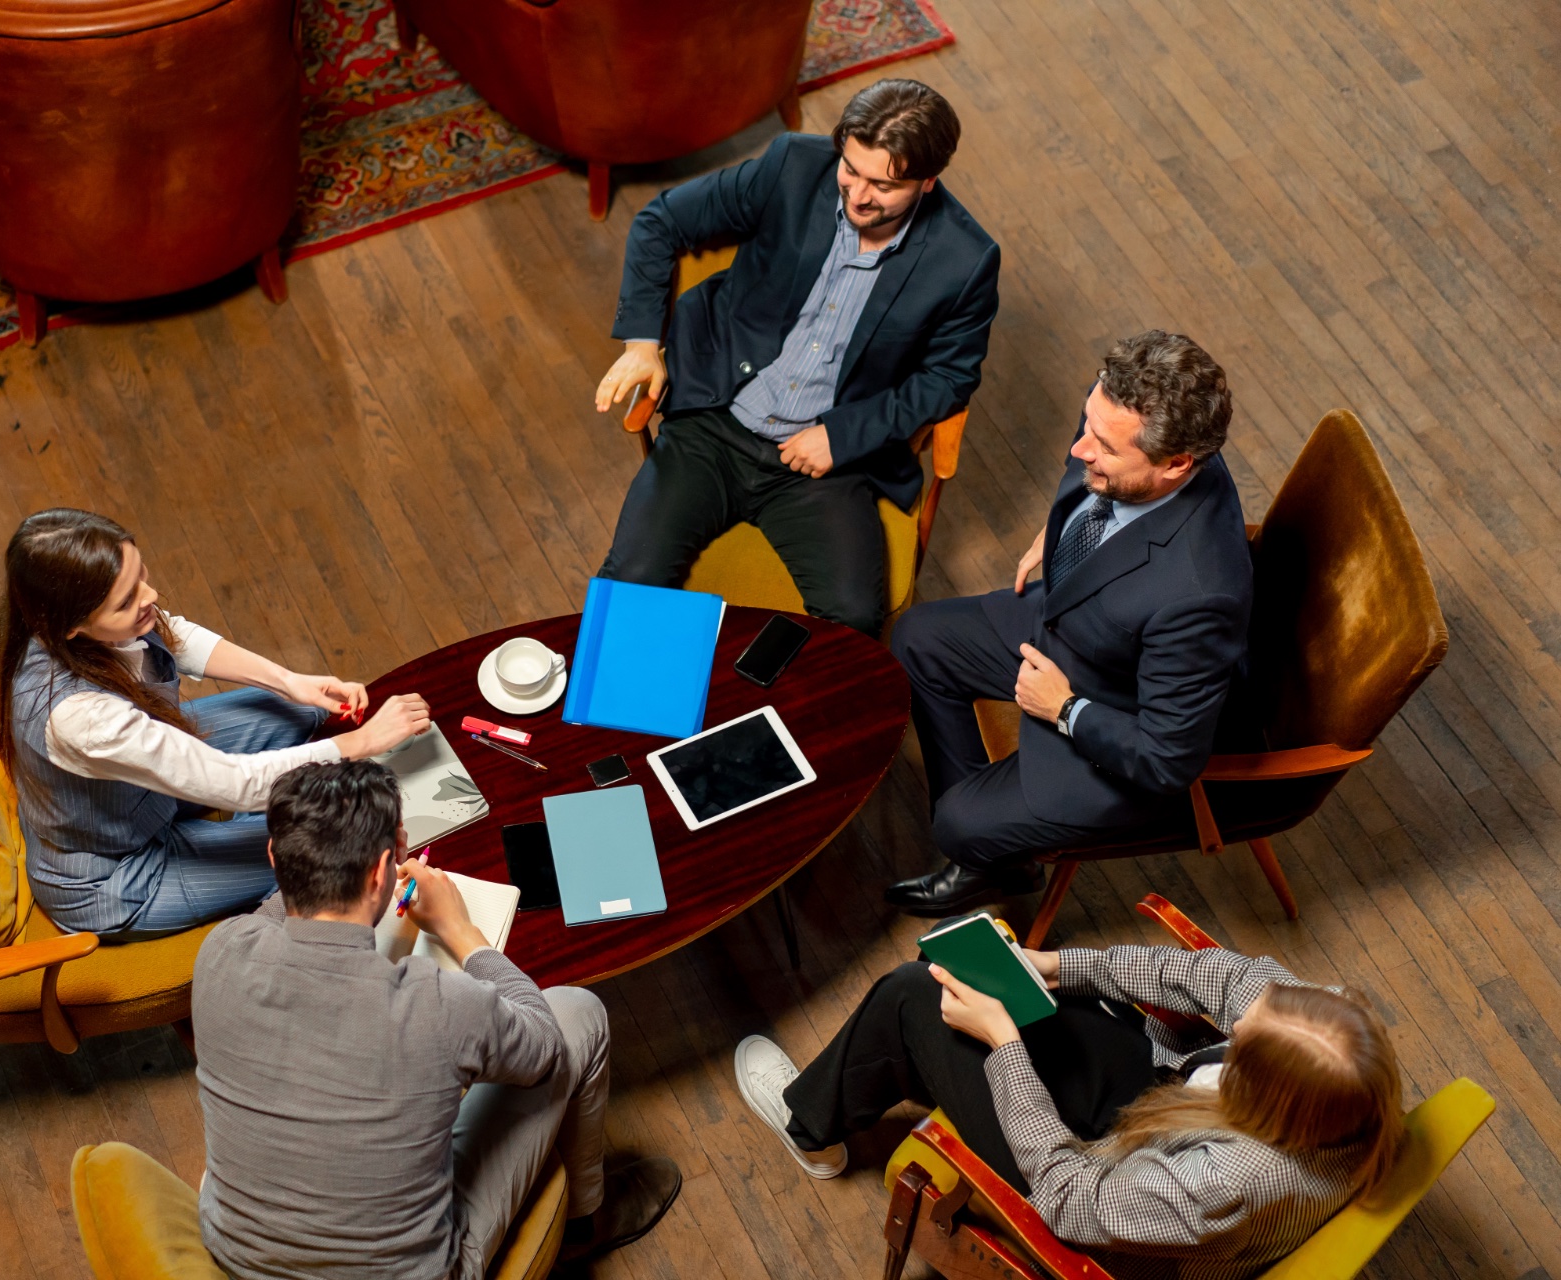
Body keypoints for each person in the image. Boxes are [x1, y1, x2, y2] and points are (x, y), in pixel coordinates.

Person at [191, 761, 681, 1279]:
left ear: (274, 856)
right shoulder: (438, 1003)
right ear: (383, 871)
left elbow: (281, 914)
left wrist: (333, 864)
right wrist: (457, 927)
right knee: (578, 1013)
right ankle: (585, 1225)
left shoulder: (221, 949)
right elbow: (542, 1046)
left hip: (238, 1255)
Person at [734, 940, 1404, 1280]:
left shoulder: (1229, 1183)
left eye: (1243, 1038)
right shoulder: (1334, 1047)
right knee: (961, 961)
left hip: (1103, 1185)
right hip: (1163, 1103)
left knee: (915, 993)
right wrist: (1053, 967)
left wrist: (1005, 1046)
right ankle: (908, 1061)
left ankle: (810, 1130)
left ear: (1261, 1094)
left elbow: (1071, 1197)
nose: (1241, 1013)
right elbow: (1225, 978)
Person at [594, 79, 1000, 635]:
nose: (858, 195)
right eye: (851, 169)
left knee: (853, 622)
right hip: (713, 422)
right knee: (629, 583)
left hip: (825, 463)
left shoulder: (966, 259)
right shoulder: (792, 165)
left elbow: (949, 377)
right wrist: (642, 344)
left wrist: (842, 436)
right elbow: (661, 221)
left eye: (883, 185)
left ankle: (769, 695)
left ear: (928, 181)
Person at [885, 331, 1253, 915]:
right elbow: (1092, 444)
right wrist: (1070, 523)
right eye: (1089, 423)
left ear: (1177, 464)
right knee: (916, 639)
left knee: (955, 824)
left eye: (1103, 448)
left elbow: (1167, 760)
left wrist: (1064, 708)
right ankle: (992, 853)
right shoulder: (1127, 406)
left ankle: (982, 852)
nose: (1081, 448)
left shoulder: (1199, 596)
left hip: (1109, 699)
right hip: (1070, 617)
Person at [0, 508, 430, 940]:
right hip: (118, 871)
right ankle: (253, 830)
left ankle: (249, 817)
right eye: (126, 602)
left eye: (141, 575)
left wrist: (290, 682)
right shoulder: (80, 718)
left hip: (135, 792)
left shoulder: (66, 620)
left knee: (299, 711)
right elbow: (237, 782)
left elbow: (171, 633)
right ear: (71, 626)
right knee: (335, 845)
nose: (151, 595)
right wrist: (364, 741)